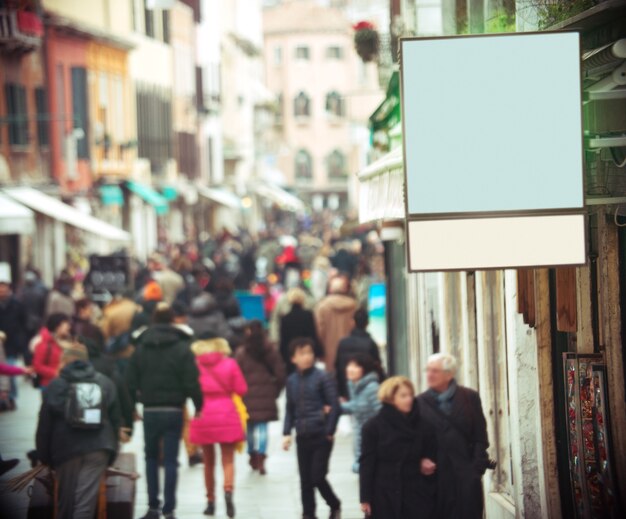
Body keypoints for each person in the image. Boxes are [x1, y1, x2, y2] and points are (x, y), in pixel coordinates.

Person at [126, 303, 203, 519]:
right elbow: (191, 380)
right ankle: (169, 509)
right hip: (174, 409)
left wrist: (132, 406)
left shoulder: (141, 347)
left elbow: (130, 381)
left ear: (153, 319)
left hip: (150, 409)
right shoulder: (181, 347)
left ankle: (152, 507)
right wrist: (198, 404)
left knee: (151, 458)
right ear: (172, 320)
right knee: (171, 460)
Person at [35, 343, 121, 519]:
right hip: (99, 448)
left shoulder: (56, 385)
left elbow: (44, 425)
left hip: (65, 449)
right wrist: (112, 454)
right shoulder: (104, 382)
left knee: (64, 503)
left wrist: (44, 457)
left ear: (64, 362)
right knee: (84, 503)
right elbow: (115, 421)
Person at [416, 353, 490, 519]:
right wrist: (419, 460)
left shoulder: (469, 397)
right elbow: (412, 440)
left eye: (435, 371)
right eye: (427, 370)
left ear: (449, 374)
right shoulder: (419, 403)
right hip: (434, 479)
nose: (429, 374)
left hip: (465, 477)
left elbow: (480, 435)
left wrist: (475, 469)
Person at [360, 376, 437, 519]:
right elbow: (367, 463)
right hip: (383, 494)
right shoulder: (373, 427)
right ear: (390, 398)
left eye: (410, 395)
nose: (409, 399)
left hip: (416, 493)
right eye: (403, 396)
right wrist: (365, 497)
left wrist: (426, 459)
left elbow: (433, 453)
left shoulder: (424, 426)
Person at [189, 332, 248, 518]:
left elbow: (190, 389)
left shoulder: (195, 366)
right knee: (228, 459)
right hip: (226, 414)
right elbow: (241, 389)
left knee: (208, 462)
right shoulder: (229, 363)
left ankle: (210, 502)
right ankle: (228, 491)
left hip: (203, 413)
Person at [283, 338, 341, 519]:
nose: (307, 357)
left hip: (321, 435)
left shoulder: (323, 377)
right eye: (302, 354)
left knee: (317, 476)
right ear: (293, 359)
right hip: (302, 435)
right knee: (305, 480)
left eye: (309, 352)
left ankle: (334, 504)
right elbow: (289, 409)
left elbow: (335, 406)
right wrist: (286, 433)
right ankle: (308, 514)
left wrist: (329, 431)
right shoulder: (291, 381)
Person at [235, 320, 286, 475]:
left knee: (250, 427)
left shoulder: (242, 352)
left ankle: (252, 455)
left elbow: (235, 374)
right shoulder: (270, 350)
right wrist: (275, 390)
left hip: (247, 394)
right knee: (263, 427)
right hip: (266, 392)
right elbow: (280, 373)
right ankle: (262, 457)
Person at [340, 354, 381, 473]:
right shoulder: (355, 386)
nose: (350, 369)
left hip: (372, 441)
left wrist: (336, 407)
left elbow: (380, 413)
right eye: (349, 365)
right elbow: (356, 405)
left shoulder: (372, 388)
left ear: (365, 369)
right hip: (361, 437)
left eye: (355, 366)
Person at [335, 308, 382, 399]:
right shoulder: (371, 343)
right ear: (368, 323)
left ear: (353, 322)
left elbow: (337, 366)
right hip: (367, 388)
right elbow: (377, 366)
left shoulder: (343, 342)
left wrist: (340, 392)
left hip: (345, 386)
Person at [315, 276, 358, 372]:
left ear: (330, 289)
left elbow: (319, 331)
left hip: (328, 351)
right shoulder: (354, 306)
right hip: (350, 350)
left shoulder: (322, 307)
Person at [279, 288, 322, 374]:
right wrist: (318, 352)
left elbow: (283, 340)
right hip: (307, 351)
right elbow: (313, 334)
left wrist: (284, 357)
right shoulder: (308, 315)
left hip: (293, 354)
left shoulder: (285, 318)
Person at [0, 280, 27, 404]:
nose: (2, 292)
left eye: (4, 289)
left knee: (8, 368)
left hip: (11, 342)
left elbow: (23, 322)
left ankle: (11, 396)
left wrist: (20, 341)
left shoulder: (16, 304)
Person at [32, 313, 72, 390]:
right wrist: (54, 373)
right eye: (66, 324)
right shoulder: (45, 342)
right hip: (48, 385)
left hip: (65, 384)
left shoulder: (67, 342)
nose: (69, 327)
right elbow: (37, 366)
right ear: (58, 326)